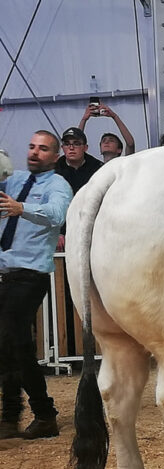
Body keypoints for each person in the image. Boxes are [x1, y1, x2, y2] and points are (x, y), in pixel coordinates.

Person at [0, 130, 73, 439]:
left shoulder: (58, 185)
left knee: (10, 340)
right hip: (5, 274)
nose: (34, 152)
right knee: (12, 346)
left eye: (43, 149)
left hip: (30, 277)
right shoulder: (13, 180)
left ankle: (38, 414)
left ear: (55, 156)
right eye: (31, 147)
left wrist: (23, 209)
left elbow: (58, 214)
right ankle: (24, 415)